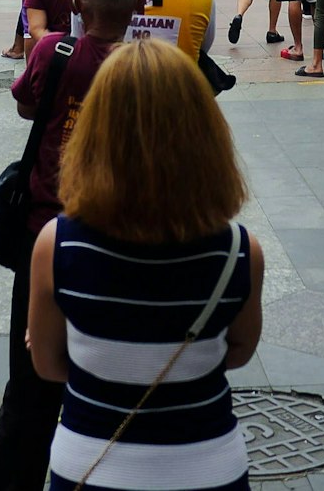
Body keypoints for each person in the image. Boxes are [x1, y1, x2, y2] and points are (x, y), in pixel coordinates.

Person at [26, 40, 263, 491]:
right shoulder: (239, 250)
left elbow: (48, 364)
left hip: (90, 463)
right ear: (204, 133)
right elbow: (239, 350)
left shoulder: (56, 245)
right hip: (208, 464)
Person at [0, 0, 146, 489]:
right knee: (118, 376)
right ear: (139, 0)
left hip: (46, 242)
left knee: (30, 384)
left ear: (76, 0)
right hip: (125, 243)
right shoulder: (153, 68)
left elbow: (27, 106)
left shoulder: (54, 50)